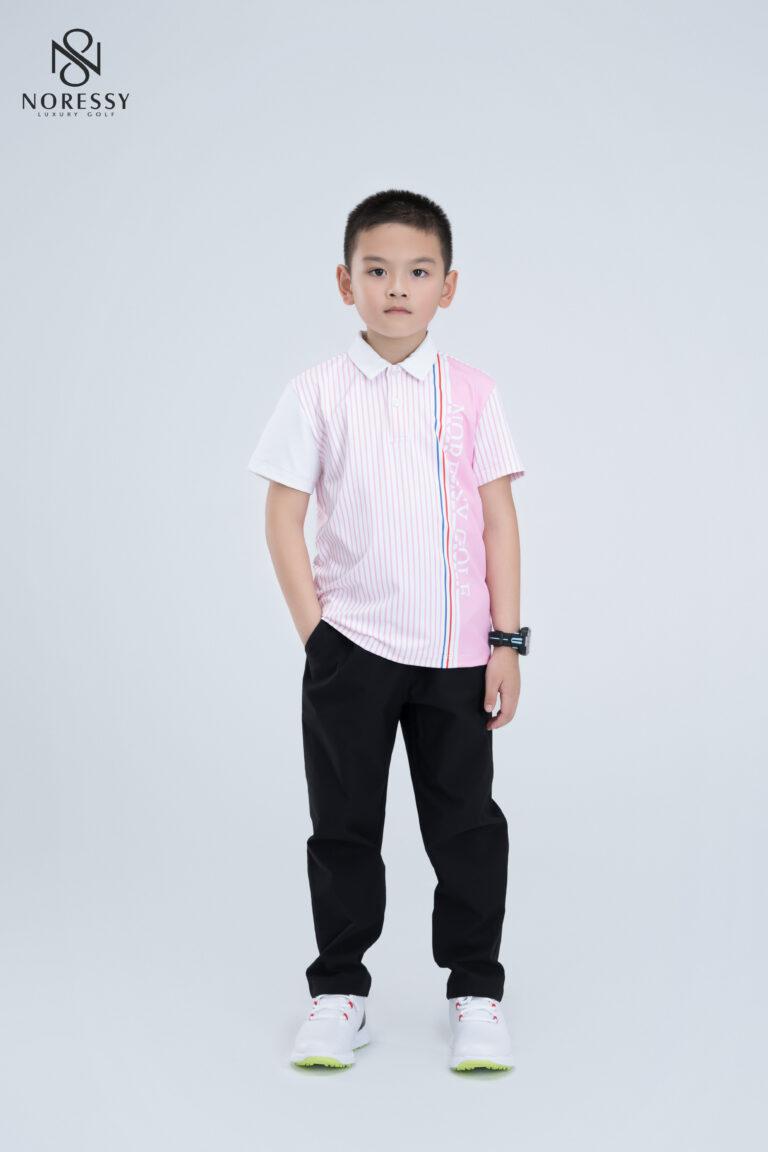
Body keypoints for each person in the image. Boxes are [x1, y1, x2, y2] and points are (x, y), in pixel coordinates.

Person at [246, 189, 530, 1072]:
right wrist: (318, 637)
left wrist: (507, 642)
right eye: (376, 270)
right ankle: (340, 994)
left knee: (466, 827)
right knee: (342, 827)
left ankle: (475, 992)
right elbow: (282, 517)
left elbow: (499, 521)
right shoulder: (316, 394)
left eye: (417, 271)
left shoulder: (473, 394)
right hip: (353, 652)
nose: (396, 288)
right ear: (346, 283)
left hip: (456, 655)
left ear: (448, 286)